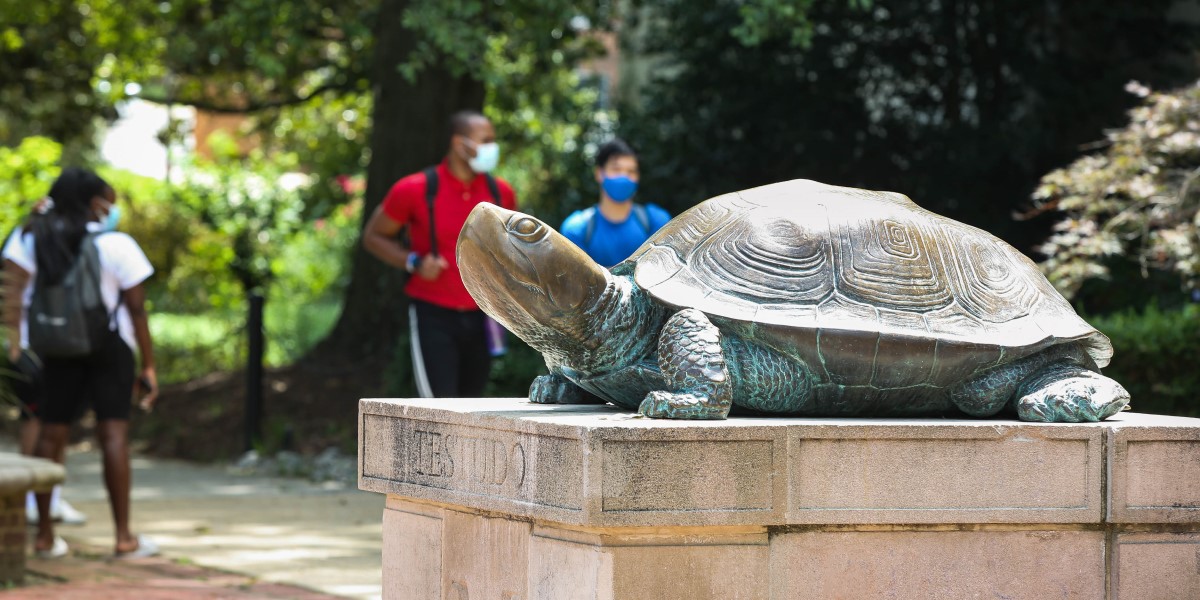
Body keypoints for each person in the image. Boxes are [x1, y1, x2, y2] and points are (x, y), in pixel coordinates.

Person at [2, 168, 159, 559]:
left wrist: (15, 345)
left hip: (57, 348)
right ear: (94, 202)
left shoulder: (32, 236)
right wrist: (148, 365)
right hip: (111, 347)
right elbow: (137, 309)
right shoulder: (117, 244)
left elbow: (12, 294)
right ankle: (123, 537)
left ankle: (43, 536)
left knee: (51, 434)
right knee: (113, 434)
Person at [363, 110, 517, 398]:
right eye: (485, 140)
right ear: (459, 144)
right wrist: (413, 262)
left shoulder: (501, 193)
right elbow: (373, 236)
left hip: (484, 314)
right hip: (433, 314)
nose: (492, 148)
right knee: (437, 408)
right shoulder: (415, 188)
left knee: (473, 408)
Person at [2, 214, 89, 527]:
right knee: (36, 418)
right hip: (27, 346)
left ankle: (48, 499)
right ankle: (29, 498)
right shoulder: (24, 239)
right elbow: (11, 293)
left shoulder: (60, 238)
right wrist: (14, 346)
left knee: (52, 421)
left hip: (52, 344)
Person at [561, 139, 671, 268]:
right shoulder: (576, 230)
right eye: (616, 169)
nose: (624, 177)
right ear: (599, 173)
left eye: (631, 171)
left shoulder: (658, 222)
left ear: (637, 177)